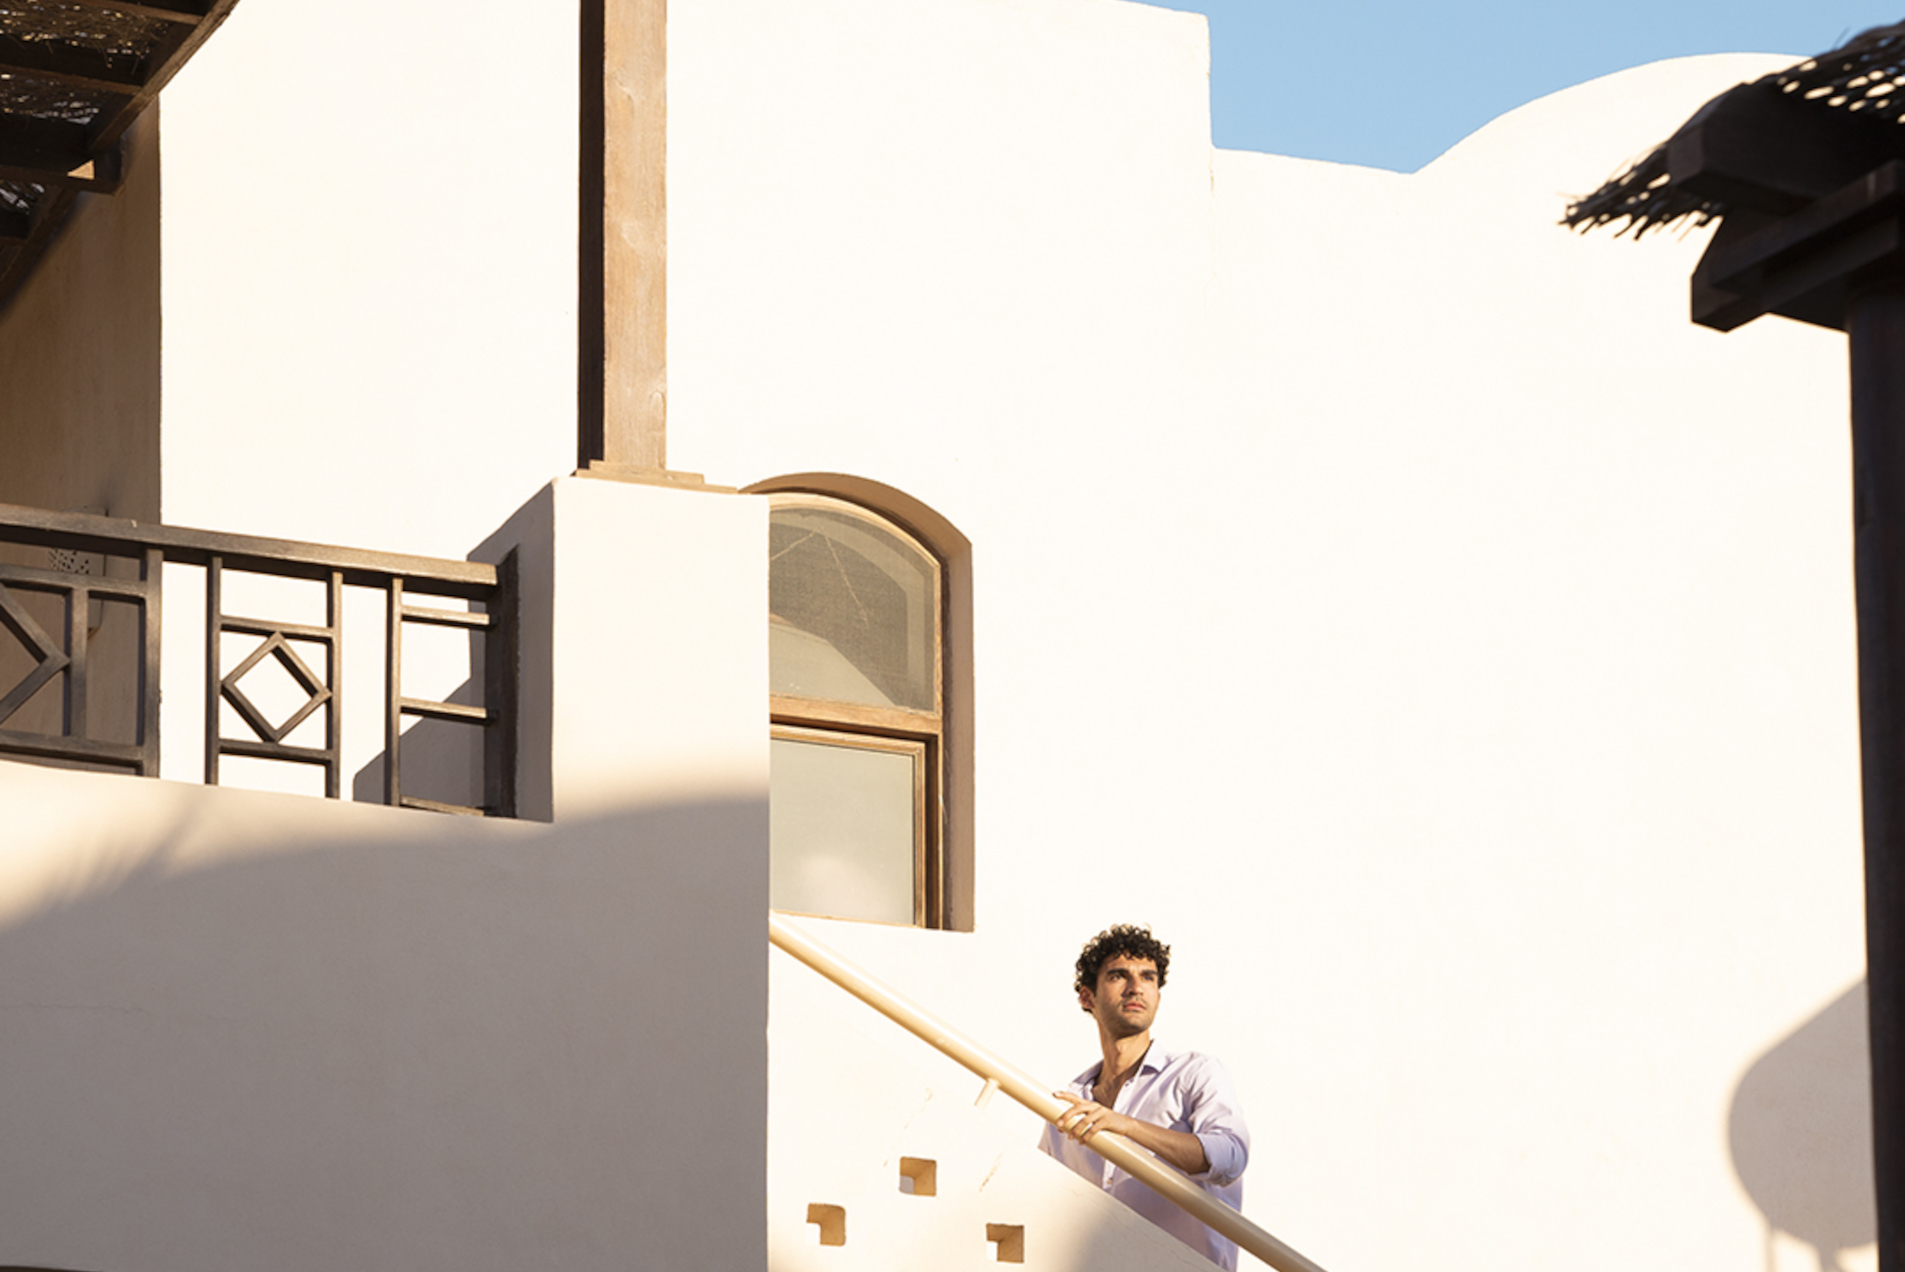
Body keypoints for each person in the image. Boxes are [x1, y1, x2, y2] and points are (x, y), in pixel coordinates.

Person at [1040, 924, 1250, 1270]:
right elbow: (1043, 1202)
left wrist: (1125, 1126)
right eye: (1119, 976)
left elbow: (1231, 1156)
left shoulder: (1194, 1073)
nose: (1136, 987)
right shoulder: (1069, 1104)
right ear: (1086, 997)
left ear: (1158, 996)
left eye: (1148, 977)